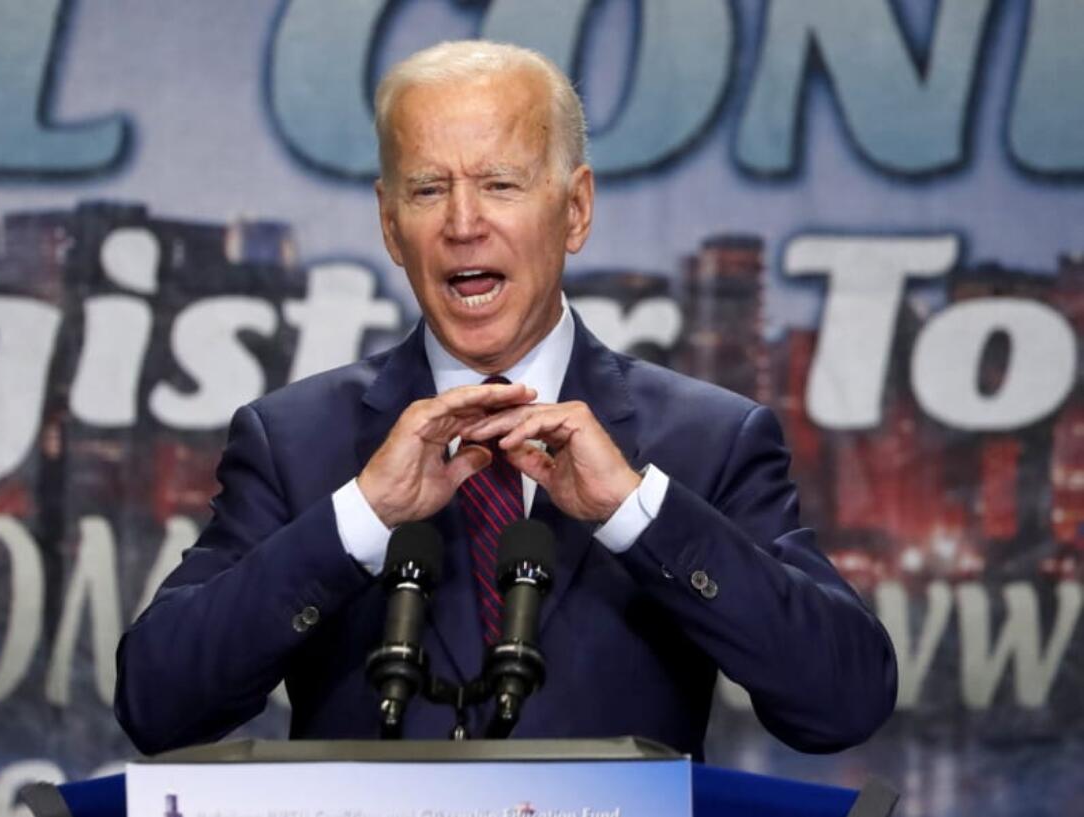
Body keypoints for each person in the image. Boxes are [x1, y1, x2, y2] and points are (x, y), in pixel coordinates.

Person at [114, 40, 897, 758]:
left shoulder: (708, 440)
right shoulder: (293, 441)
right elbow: (157, 703)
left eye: (500, 183)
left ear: (576, 209)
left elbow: (843, 700)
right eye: (428, 189)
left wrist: (634, 514)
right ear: (392, 226)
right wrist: (358, 517)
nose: (463, 222)